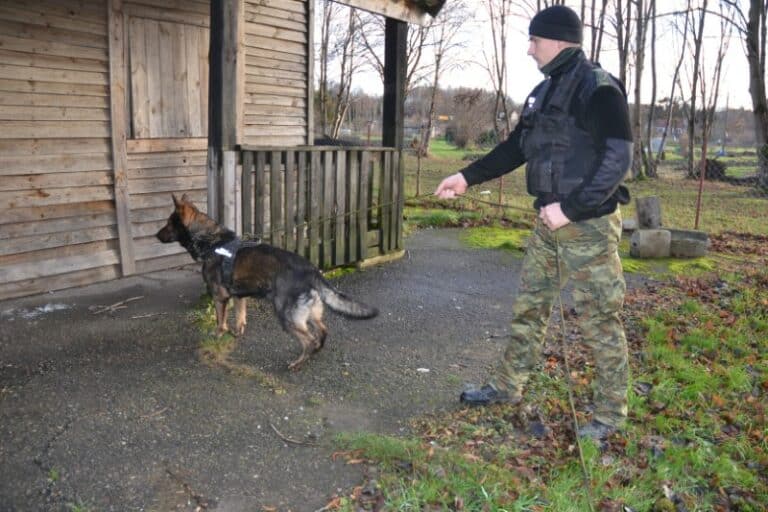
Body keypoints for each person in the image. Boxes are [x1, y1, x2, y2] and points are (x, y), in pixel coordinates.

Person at [434, 5, 632, 441]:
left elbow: (618, 159)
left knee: (600, 321)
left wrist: (571, 209)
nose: (528, 49)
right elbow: (515, 148)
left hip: (589, 227)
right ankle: (507, 388)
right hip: (549, 225)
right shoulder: (544, 93)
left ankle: (609, 416)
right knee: (529, 309)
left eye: (534, 40)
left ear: (559, 40)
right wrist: (466, 177)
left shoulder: (599, 89)